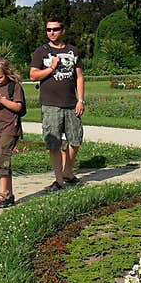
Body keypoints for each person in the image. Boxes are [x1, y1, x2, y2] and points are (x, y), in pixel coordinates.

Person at [30, 18, 86, 191]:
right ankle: (59, 179)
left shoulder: (72, 51)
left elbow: (79, 77)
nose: (51, 32)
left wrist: (81, 100)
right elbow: (33, 75)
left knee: (75, 140)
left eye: (55, 29)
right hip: (51, 104)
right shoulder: (41, 51)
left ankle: (67, 171)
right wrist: (51, 68)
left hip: (71, 103)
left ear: (63, 30)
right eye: (48, 30)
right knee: (53, 143)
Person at [0, 58, 26, 209]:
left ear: (7, 73)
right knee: (1, 158)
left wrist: (1, 99)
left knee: (2, 157)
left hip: (10, 128)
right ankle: (9, 193)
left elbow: (18, 107)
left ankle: (4, 193)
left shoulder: (15, 87)